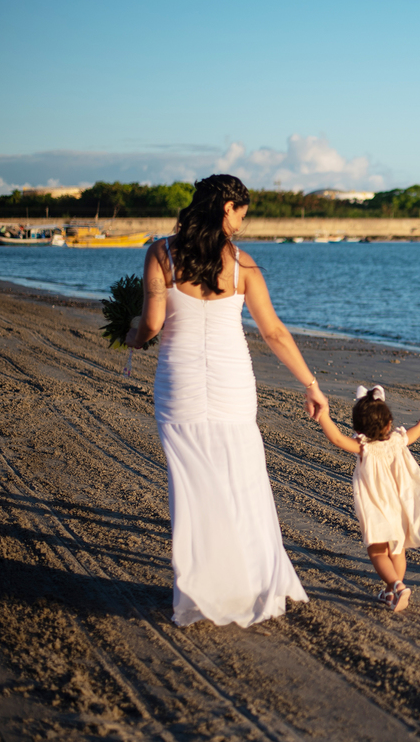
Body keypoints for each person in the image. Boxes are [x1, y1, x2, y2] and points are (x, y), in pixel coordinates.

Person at [126, 174, 327, 627]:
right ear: (226, 208)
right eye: (240, 214)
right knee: (242, 481)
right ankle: (252, 582)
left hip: (179, 383)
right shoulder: (242, 265)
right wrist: (311, 384)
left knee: (192, 487)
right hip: (233, 384)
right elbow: (274, 332)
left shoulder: (161, 253)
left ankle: (203, 587)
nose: (241, 223)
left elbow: (151, 325)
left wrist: (131, 336)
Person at [315, 385, 420, 611]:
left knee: (377, 550)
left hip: (376, 507)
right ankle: (392, 592)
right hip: (400, 505)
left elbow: (336, 438)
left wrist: (323, 415)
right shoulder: (398, 440)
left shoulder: (363, 448)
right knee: (397, 550)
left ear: (358, 428)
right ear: (389, 424)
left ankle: (397, 586)